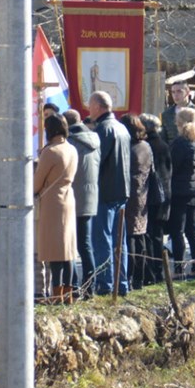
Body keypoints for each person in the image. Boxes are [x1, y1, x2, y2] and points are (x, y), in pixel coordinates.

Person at [88, 92, 133, 295]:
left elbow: (97, 161)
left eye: (90, 105)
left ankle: (105, 284)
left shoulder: (103, 129)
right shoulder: (122, 128)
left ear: (98, 107)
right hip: (121, 190)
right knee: (119, 240)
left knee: (103, 240)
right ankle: (121, 283)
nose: (89, 110)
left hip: (105, 191)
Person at [32, 112, 79, 302]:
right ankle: (68, 294)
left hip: (52, 201)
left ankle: (56, 295)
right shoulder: (71, 149)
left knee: (54, 251)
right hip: (68, 197)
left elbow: (37, 182)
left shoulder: (50, 152)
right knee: (67, 249)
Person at [168, 107, 195, 279]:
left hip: (179, 190)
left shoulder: (179, 143)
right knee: (193, 230)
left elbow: (173, 168)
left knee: (177, 231)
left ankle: (179, 268)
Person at [64, 109, 100, 295]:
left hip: (73, 196)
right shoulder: (95, 139)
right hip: (91, 196)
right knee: (85, 244)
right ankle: (89, 286)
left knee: (72, 244)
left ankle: (76, 285)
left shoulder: (70, 143)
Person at [125, 113, 155, 288]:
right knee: (140, 234)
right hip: (143, 192)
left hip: (132, 192)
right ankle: (140, 276)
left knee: (130, 236)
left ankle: (132, 275)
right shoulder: (146, 146)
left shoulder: (130, 148)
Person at [142, 113, 173, 283]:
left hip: (152, 195)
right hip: (164, 194)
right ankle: (160, 271)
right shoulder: (164, 145)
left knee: (150, 235)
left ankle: (152, 272)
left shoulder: (147, 146)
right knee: (158, 236)